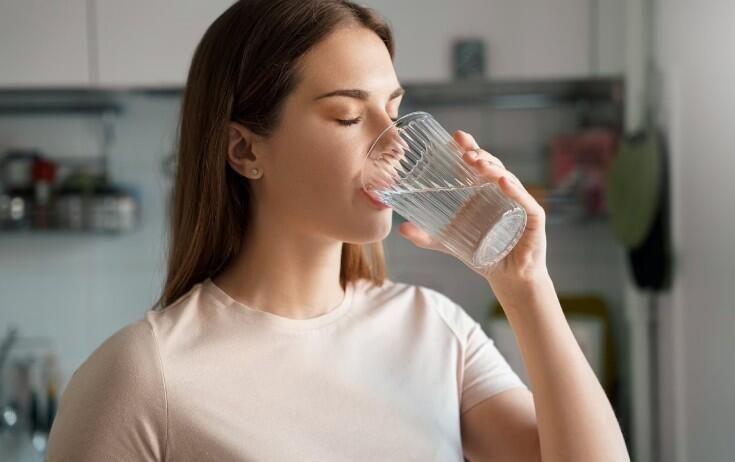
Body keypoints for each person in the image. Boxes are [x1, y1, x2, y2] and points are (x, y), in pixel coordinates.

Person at [46, 0, 629, 460]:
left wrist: (525, 285)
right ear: (245, 150)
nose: (394, 143)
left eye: (393, 111)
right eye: (348, 116)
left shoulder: (436, 331)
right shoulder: (144, 376)